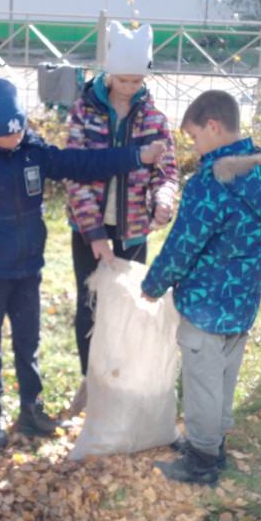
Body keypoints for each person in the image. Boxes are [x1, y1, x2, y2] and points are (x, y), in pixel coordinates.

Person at [0, 77, 167, 448]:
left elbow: (81, 162)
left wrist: (136, 156)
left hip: (28, 269)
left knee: (29, 342)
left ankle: (31, 409)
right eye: (5, 135)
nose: (14, 140)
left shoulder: (33, 151)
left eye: (19, 132)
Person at [142, 90, 261, 485]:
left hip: (205, 301)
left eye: (194, 137)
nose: (193, 146)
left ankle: (201, 459)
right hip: (244, 297)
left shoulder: (209, 183)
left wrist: (154, 284)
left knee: (202, 381)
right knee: (225, 373)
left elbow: (183, 244)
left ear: (213, 126)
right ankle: (215, 443)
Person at [64, 21, 178, 417]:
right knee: (90, 304)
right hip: (88, 227)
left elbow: (167, 172)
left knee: (129, 305)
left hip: (133, 229)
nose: (130, 87)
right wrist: (93, 231)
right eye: (123, 80)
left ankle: (121, 381)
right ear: (109, 73)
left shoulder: (154, 119)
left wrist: (163, 199)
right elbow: (74, 172)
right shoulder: (83, 113)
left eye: (137, 80)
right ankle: (90, 381)